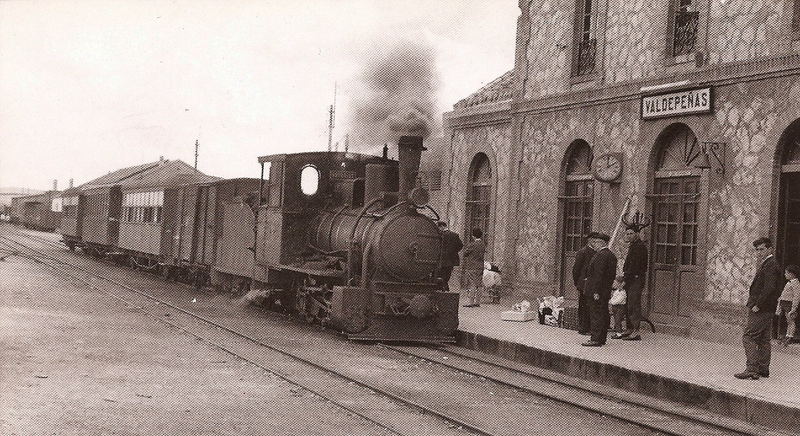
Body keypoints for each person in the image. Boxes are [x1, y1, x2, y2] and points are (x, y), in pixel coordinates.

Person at [735, 237, 784, 380]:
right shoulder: (768, 264)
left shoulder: (770, 265)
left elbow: (769, 288)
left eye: (762, 249)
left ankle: (751, 369)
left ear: (770, 249)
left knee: (748, 337)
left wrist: (758, 304)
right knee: (763, 339)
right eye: (757, 250)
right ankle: (763, 369)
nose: (759, 252)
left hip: (761, 308)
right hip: (767, 308)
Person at [581, 232, 617, 347]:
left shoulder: (601, 256)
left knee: (596, 314)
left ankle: (595, 339)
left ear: (601, 243)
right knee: (603, 313)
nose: (594, 244)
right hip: (605, 290)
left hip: (597, 291)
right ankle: (601, 338)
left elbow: (598, 275)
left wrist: (596, 291)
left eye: (595, 242)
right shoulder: (611, 255)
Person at [615, 224, 648, 340]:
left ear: (637, 234)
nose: (629, 236)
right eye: (627, 234)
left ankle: (635, 331)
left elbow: (634, 267)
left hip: (636, 279)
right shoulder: (633, 246)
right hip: (630, 278)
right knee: (628, 304)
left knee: (634, 305)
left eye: (631, 234)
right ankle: (629, 329)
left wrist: (625, 280)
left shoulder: (639, 247)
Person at [572, 241, 596, 335]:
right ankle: (583, 327)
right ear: (590, 241)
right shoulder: (583, 252)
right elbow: (576, 269)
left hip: (590, 284)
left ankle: (587, 327)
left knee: (588, 305)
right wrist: (577, 282)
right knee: (583, 306)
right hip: (584, 284)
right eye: (594, 240)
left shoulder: (596, 252)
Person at [776, 264, 800, 347]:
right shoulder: (789, 282)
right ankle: (787, 335)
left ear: (792, 274)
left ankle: (790, 337)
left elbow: (796, 296)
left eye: (786, 273)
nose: (785, 275)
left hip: (790, 304)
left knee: (791, 321)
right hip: (785, 303)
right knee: (788, 321)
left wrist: (794, 308)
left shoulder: (796, 283)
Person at [462, 228, 486, 307]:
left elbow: (465, 253)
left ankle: (471, 302)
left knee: (472, 284)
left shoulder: (472, 244)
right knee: (479, 284)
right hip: (480, 266)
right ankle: (477, 302)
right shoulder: (483, 244)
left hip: (472, 266)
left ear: (473, 236)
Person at [437, 221, 463, 293]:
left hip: (441, 259)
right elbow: (460, 245)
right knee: (447, 275)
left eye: (439, 228)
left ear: (442, 226)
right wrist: (454, 252)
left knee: (440, 276)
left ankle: (444, 289)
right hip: (451, 260)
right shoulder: (454, 235)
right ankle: (445, 289)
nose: (439, 229)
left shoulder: (440, 235)